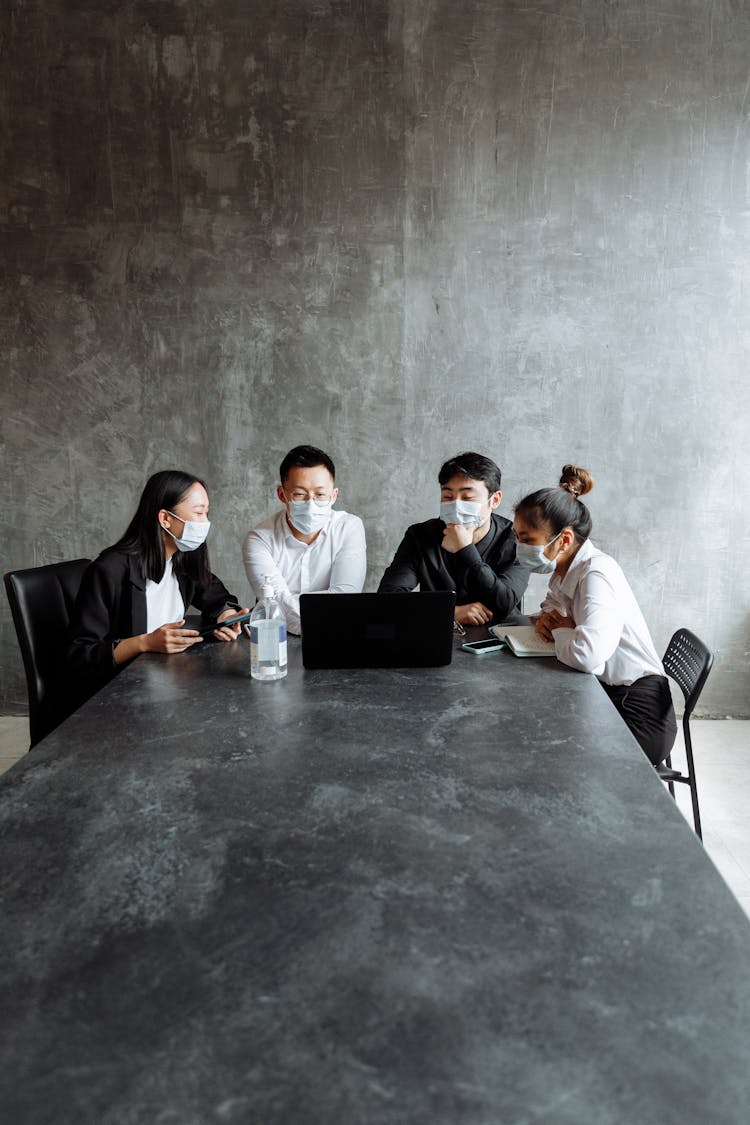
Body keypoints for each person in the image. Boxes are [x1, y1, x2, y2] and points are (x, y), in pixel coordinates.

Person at [514, 465, 677, 766]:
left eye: (527, 539)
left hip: (637, 713)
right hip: (606, 693)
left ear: (563, 540)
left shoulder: (596, 574)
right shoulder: (567, 568)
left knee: (544, 751)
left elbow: (588, 656)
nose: (519, 547)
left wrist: (564, 630)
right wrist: (561, 625)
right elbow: (552, 612)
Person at [68, 470, 248, 701]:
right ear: (165, 519)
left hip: (165, 681)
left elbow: (214, 595)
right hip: (118, 693)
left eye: (206, 513)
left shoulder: (182, 558)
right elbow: (80, 654)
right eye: (198, 513)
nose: (205, 523)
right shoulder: (110, 569)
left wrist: (227, 616)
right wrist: (144, 643)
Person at [378, 451, 528, 626]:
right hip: (437, 634)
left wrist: (465, 549)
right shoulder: (420, 536)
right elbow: (388, 599)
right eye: (448, 497)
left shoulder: (517, 539)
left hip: (502, 640)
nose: (456, 506)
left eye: (468, 498)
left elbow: (504, 604)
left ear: (494, 500)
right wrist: (449, 612)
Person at [242, 444, 366, 635]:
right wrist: (326, 612)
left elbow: (345, 599)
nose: (311, 503)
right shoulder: (259, 540)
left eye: (320, 494)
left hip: (335, 641)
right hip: (275, 642)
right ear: (282, 494)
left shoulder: (349, 528)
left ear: (333, 495)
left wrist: (288, 605)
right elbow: (274, 605)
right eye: (299, 494)